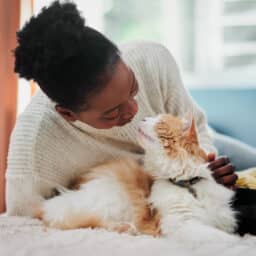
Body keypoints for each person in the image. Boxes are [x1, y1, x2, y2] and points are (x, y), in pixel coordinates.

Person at [6, 1, 238, 216]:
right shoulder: (34, 149)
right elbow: (25, 225)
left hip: (194, 157)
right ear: (68, 114)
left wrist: (205, 169)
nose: (134, 110)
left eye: (133, 87)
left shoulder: (152, 59)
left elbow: (196, 129)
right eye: (113, 113)